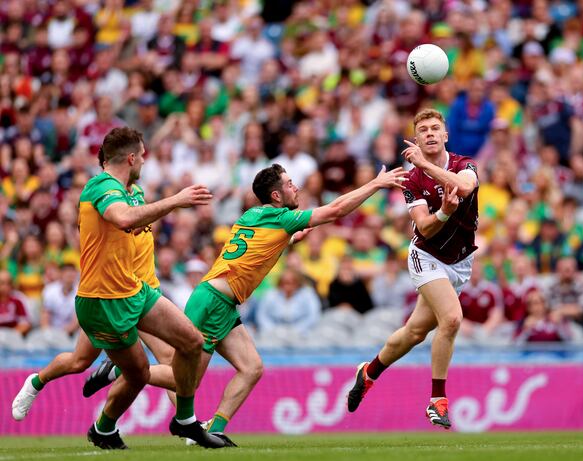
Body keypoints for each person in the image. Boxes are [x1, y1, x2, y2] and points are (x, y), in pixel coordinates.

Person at [84, 162, 407, 446]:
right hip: (212, 302)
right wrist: (375, 184)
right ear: (276, 195)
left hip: (222, 303)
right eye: (290, 183)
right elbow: (335, 210)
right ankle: (120, 371)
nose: (296, 187)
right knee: (184, 380)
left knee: (252, 368)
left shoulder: (255, 214)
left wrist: (292, 237)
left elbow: (262, 245)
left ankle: (214, 428)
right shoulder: (280, 218)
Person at [12, 127, 222, 450]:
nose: (146, 161)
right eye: (143, 156)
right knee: (106, 367)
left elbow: (132, 229)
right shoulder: (101, 187)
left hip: (136, 289)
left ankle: (185, 422)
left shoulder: (133, 192)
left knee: (192, 342)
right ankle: (47, 387)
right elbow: (123, 219)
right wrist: (176, 201)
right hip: (104, 301)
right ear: (131, 158)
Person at [346, 108, 479, 429]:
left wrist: (426, 165)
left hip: (460, 261)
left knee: (415, 332)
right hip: (426, 256)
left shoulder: (465, 165)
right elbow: (425, 227)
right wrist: (444, 212)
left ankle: (369, 372)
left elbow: (464, 188)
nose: (430, 133)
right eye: (423, 130)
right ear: (416, 140)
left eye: (435, 128)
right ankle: (438, 400)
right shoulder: (412, 180)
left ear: (445, 135)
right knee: (452, 319)